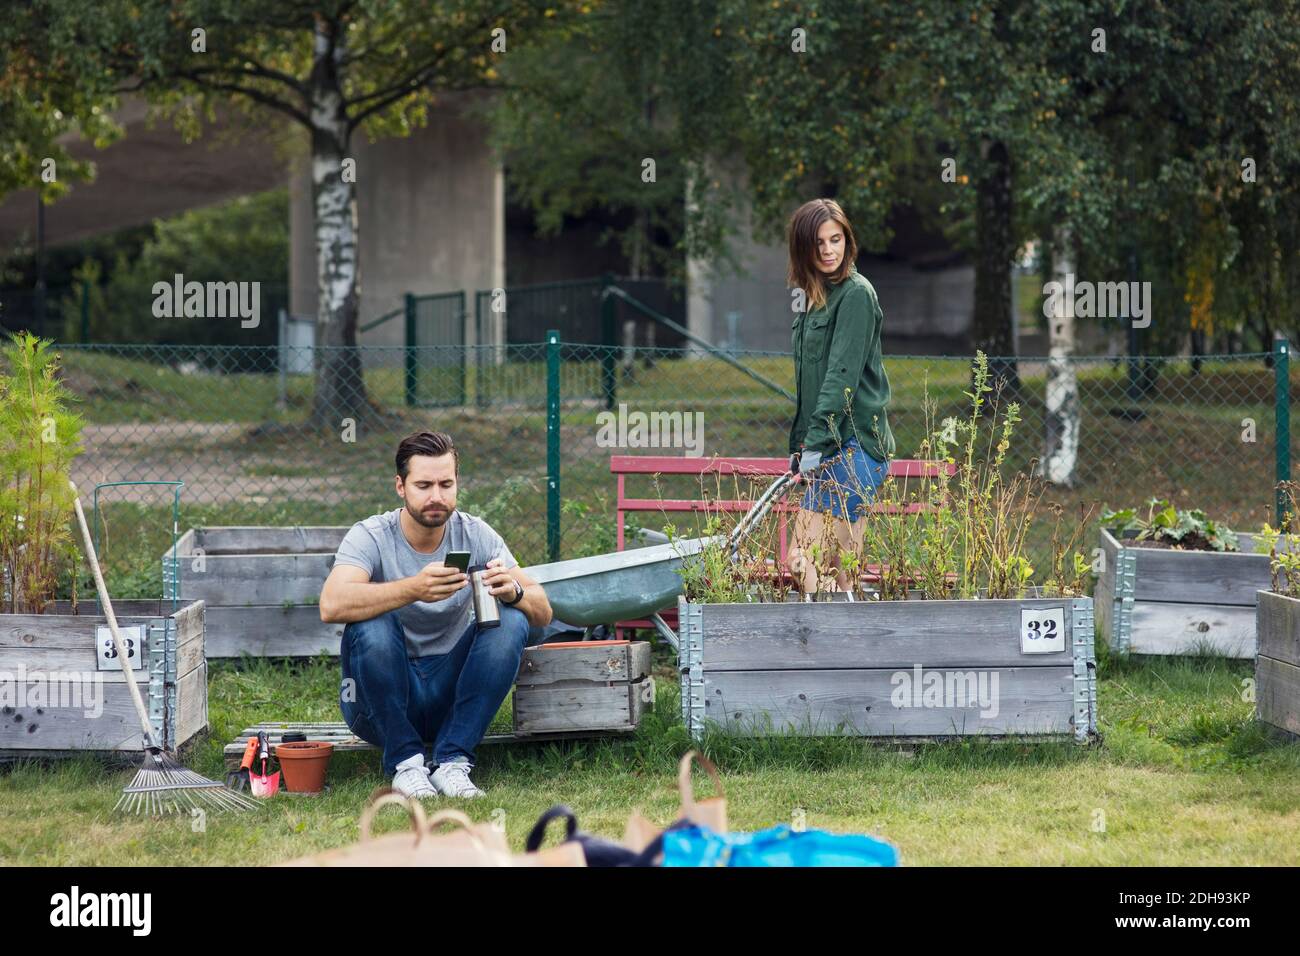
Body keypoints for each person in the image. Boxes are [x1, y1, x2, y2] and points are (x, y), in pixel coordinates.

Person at [320, 430, 552, 799]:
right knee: (371, 619)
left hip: (451, 696)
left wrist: (514, 590)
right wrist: (413, 588)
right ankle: (405, 764)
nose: (437, 497)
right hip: (379, 705)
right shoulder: (371, 535)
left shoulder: (476, 534)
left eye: (446, 484)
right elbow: (331, 604)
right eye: (424, 485)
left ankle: (453, 762)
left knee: (512, 618)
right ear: (400, 486)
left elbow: (543, 610)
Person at [784, 198, 897, 593]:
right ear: (804, 249)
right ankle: (854, 646)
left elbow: (840, 378)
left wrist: (816, 443)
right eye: (819, 243)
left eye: (836, 239)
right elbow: (809, 383)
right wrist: (802, 444)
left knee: (800, 560)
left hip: (856, 447)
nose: (829, 250)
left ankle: (840, 638)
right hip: (831, 446)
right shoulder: (813, 300)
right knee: (843, 575)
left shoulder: (856, 295)